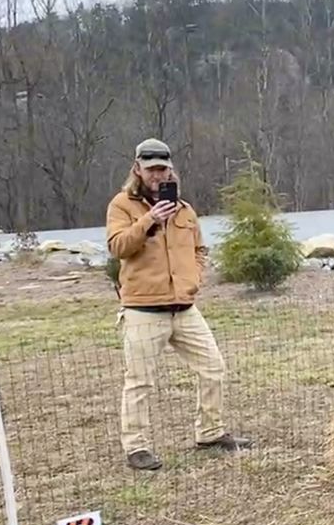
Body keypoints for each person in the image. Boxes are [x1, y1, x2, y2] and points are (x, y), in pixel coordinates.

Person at [105, 138, 252, 471]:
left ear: (171, 170)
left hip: (184, 307)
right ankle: (137, 447)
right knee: (140, 381)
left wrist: (193, 279)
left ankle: (210, 433)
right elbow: (117, 247)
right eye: (151, 169)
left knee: (213, 367)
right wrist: (149, 220)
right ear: (137, 170)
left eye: (163, 169)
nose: (158, 175)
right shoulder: (122, 205)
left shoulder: (184, 209)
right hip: (143, 309)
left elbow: (200, 250)